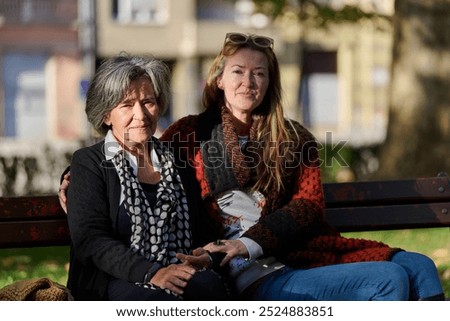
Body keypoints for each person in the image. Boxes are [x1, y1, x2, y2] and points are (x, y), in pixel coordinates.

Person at [60, 33, 445, 301]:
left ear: (271, 82)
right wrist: (74, 178)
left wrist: (248, 242)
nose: (249, 82)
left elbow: (307, 206)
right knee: (391, 278)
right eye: (239, 72)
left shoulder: (295, 138)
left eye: (259, 73)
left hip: (292, 253)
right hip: (247, 271)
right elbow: (127, 156)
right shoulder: (191, 134)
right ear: (220, 79)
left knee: (422, 267)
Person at [64, 54, 229, 301]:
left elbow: (201, 227)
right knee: (157, 302)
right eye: (127, 105)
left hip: (176, 269)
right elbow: (91, 240)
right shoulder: (89, 163)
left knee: (210, 287)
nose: (140, 115)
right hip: (113, 280)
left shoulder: (177, 161)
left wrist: (206, 256)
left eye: (148, 102)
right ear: (107, 115)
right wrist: (153, 272)